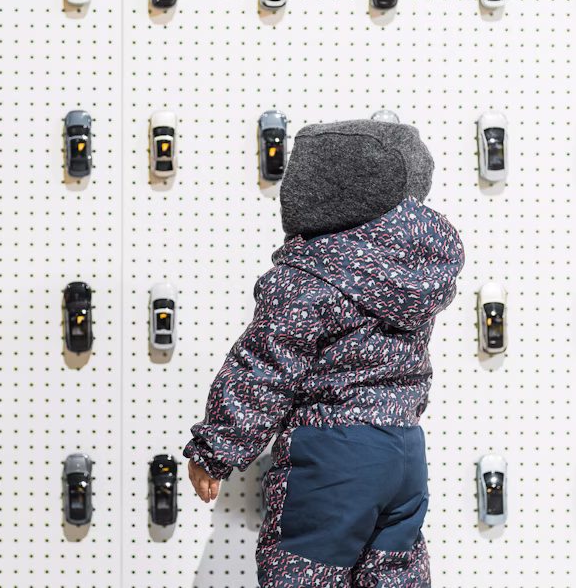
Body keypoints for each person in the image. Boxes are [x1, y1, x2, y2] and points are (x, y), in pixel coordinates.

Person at [183, 114, 464, 587]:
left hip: (332, 452)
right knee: (395, 573)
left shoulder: (310, 274)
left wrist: (216, 449)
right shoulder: (413, 269)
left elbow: (264, 367)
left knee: (303, 571)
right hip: (404, 451)